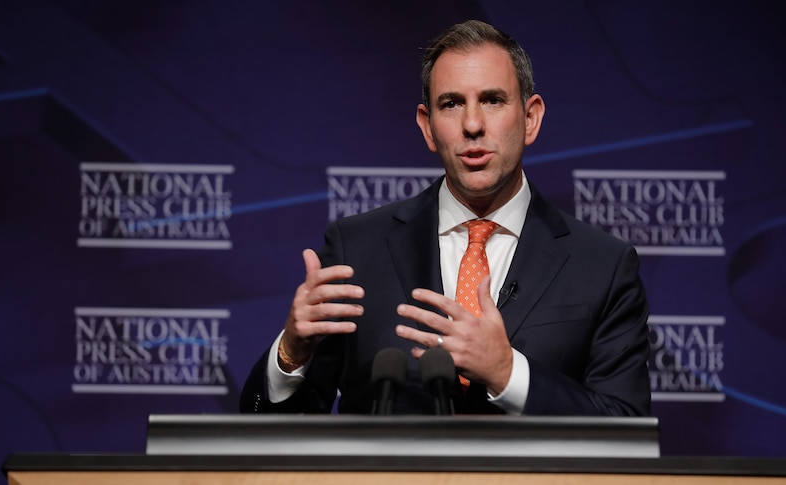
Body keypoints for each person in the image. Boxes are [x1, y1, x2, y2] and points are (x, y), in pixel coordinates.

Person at [240, 19, 650, 416]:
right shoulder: (357, 250)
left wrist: (509, 375)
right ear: (428, 128)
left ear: (530, 118)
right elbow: (273, 435)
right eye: (451, 104)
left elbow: (626, 431)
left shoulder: (603, 266)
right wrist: (291, 354)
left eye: (492, 100)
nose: (472, 124)